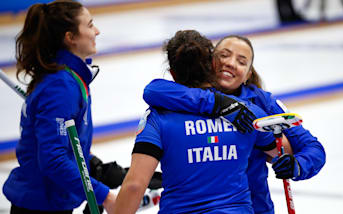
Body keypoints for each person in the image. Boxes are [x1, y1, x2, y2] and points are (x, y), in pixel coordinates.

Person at [143, 34, 326, 214]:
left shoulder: (261, 102)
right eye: (224, 55)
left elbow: (313, 148)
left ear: (248, 74)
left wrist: (298, 165)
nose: (230, 63)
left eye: (241, 61)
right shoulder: (188, 95)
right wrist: (219, 103)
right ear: (210, 62)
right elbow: (153, 90)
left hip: (255, 208)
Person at [114, 30, 279, 214]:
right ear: (213, 65)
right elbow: (282, 152)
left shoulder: (157, 118)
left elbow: (134, 186)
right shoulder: (247, 112)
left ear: (172, 73)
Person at [2, 1, 117, 213]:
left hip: (51, 199)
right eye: (90, 25)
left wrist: (92, 164)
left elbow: (59, 144)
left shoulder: (69, 79)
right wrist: (104, 195)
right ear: (70, 38)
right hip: (41, 204)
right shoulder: (60, 87)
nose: (97, 31)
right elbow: (53, 159)